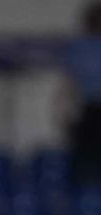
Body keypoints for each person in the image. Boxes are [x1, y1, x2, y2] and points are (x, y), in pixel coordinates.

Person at [65, 3, 101, 185]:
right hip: (91, 110)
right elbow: (70, 84)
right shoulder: (79, 47)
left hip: (90, 111)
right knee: (85, 163)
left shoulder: (78, 47)